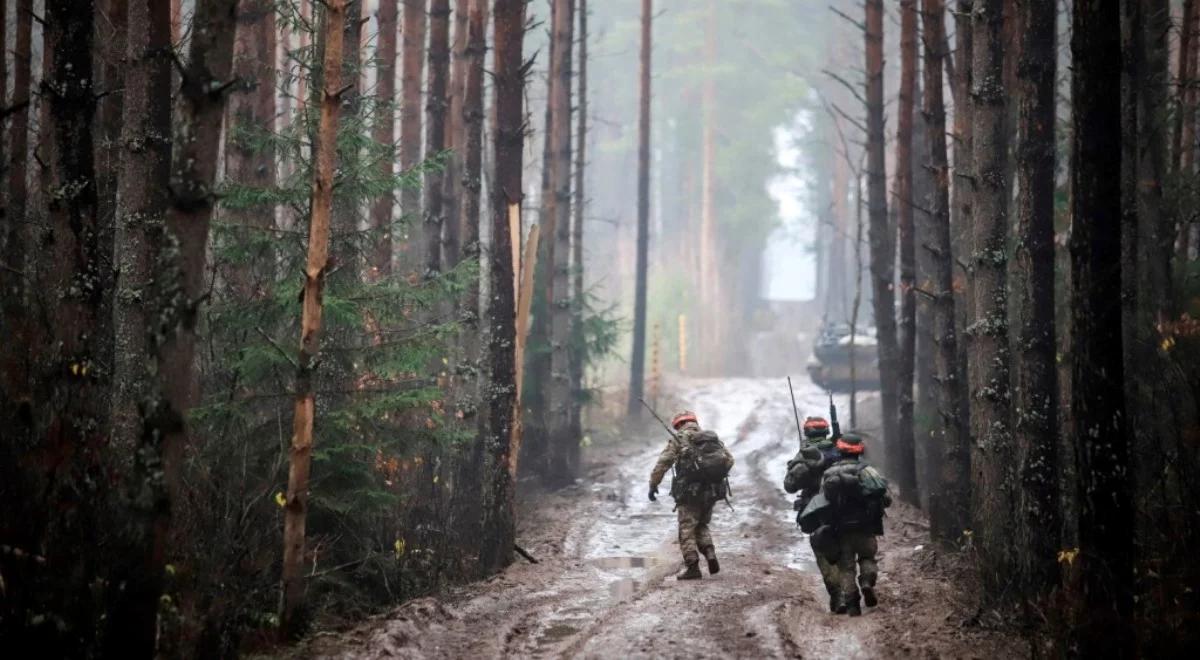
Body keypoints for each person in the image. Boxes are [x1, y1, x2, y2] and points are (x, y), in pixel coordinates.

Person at [648, 410, 734, 580]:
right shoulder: (709, 438)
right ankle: (709, 552)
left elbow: (663, 463)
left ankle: (693, 567)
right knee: (701, 524)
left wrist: (653, 484)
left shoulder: (679, 439)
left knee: (686, 528)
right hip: (711, 492)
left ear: (678, 425)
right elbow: (729, 460)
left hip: (688, 494)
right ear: (694, 422)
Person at [819, 433, 890, 616]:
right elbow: (885, 497)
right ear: (860, 450)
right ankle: (866, 581)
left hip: (840, 530)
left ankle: (852, 604)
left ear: (839, 450)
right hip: (866, 527)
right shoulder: (867, 470)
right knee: (868, 558)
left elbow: (822, 502)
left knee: (846, 568)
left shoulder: (828, 473)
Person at [783, 416, 843, 611]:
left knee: (822, 549)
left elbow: (790, 486)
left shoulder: (805, 455)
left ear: (807, 433)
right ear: (826, 431)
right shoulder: (839, 450)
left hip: (814, 509)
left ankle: (838, 594)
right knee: (845, 547)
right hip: (842, 506)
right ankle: (852, 590)